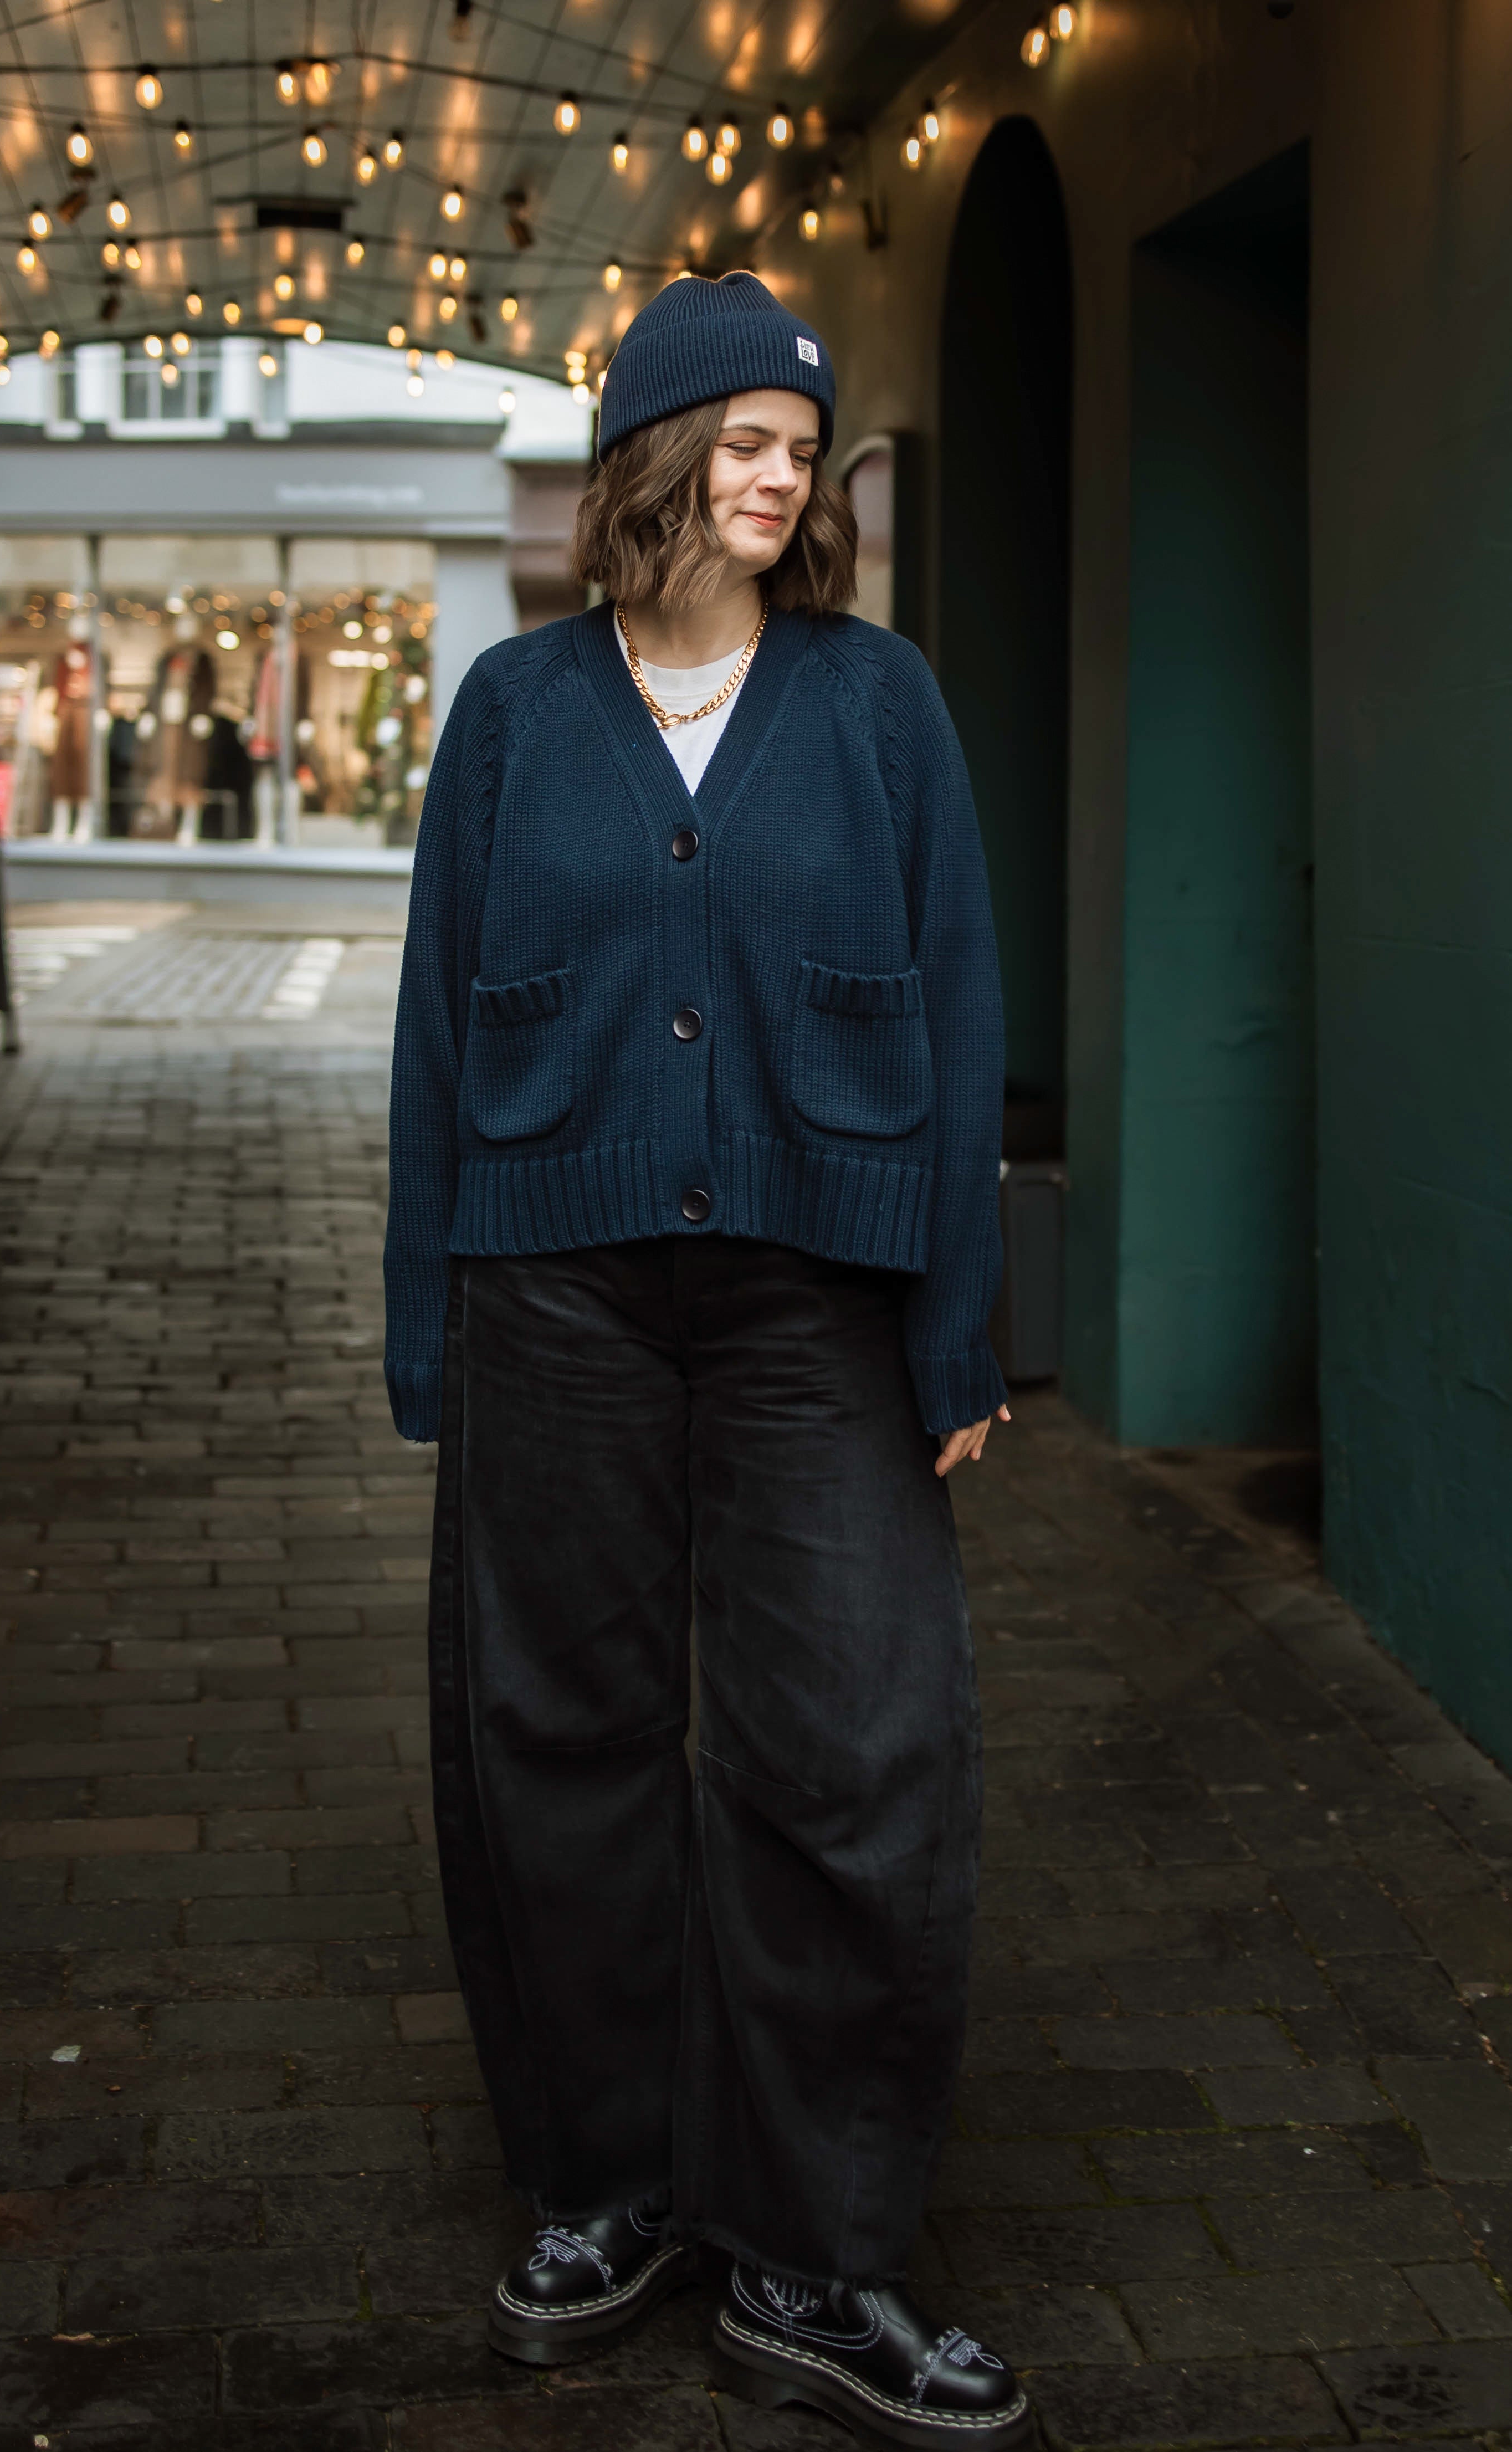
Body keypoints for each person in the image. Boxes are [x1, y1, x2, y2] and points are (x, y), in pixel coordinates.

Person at [384, 270, 1025, 2448]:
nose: (782, 478)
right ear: (651, 455)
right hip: (552, 1291)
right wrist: (423, 1321)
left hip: (816, 1298)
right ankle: (607, 2184)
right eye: (745, 440)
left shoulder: (876, 703)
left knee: (856, 1751)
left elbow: (959, 1010)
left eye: (801, 449)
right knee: (550, 1736)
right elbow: (433, 1026)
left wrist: (957, 1320)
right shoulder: (512, 712)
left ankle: (814, 2254)